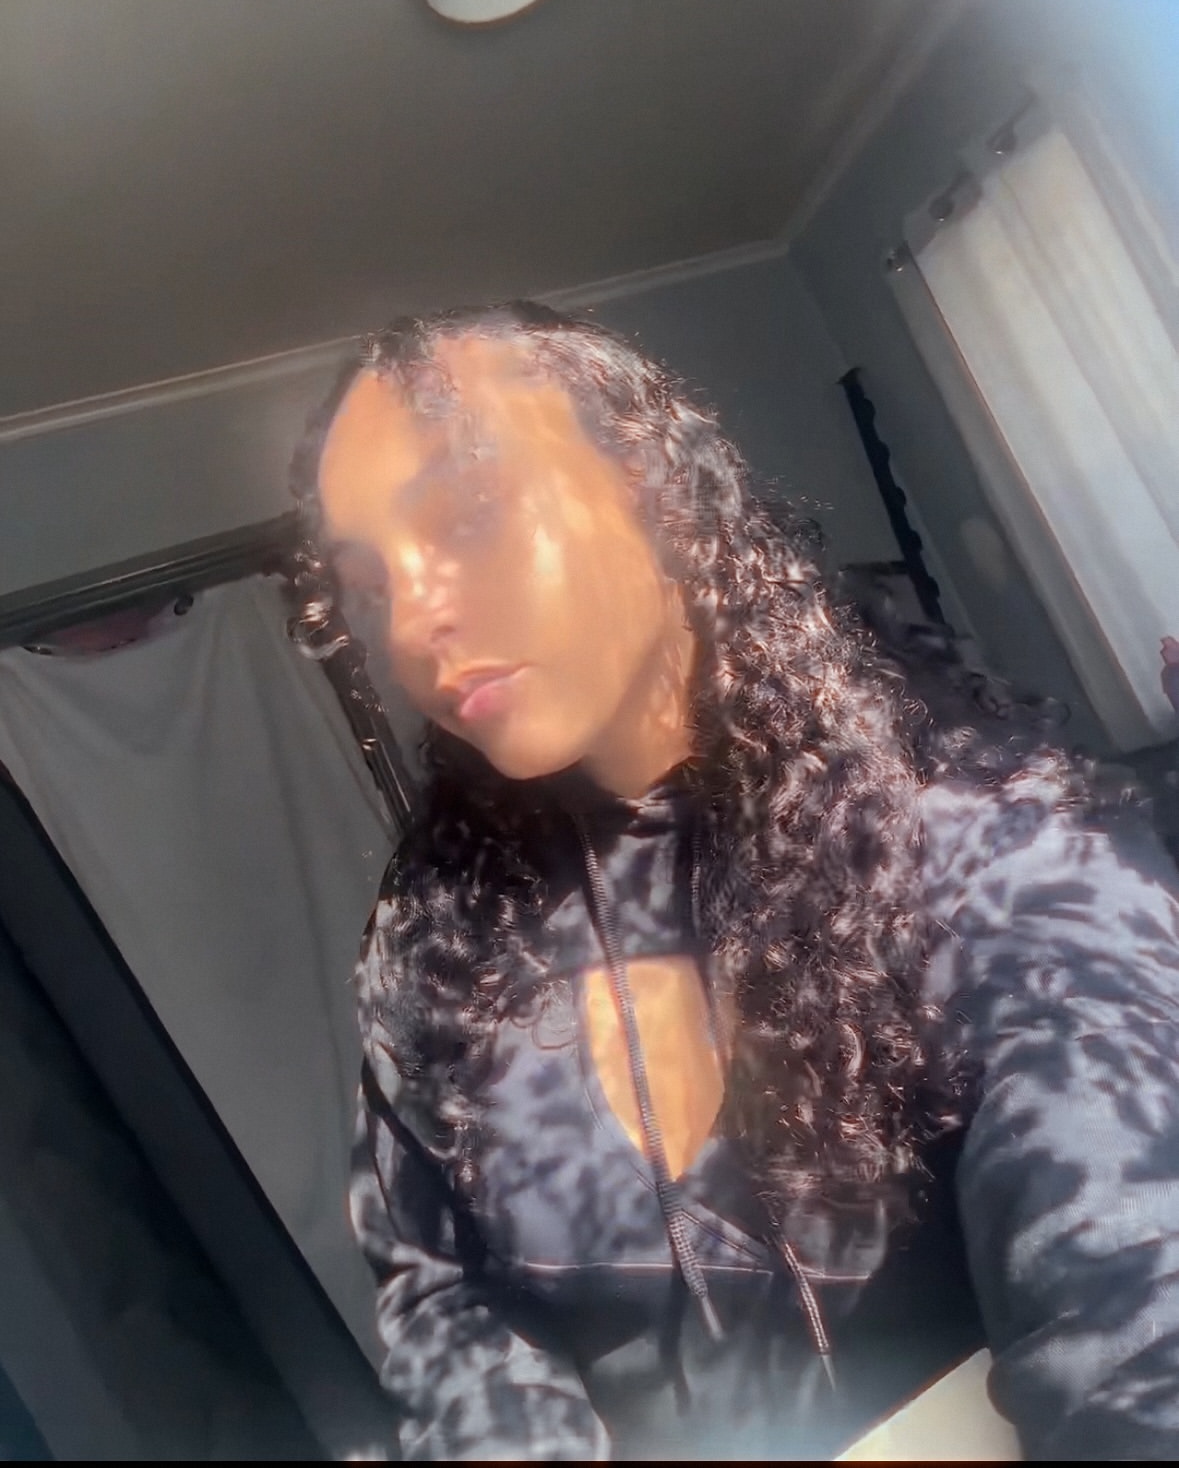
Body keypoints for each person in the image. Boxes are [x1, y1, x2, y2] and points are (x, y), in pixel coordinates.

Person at [290, 303, 1179, 1461]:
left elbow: (1136, 1304)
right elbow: (445, 1298)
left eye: (469, 513)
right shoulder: (435, 940)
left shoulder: (985, 836)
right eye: (367, 585)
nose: (413, 623)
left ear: (653, 484)